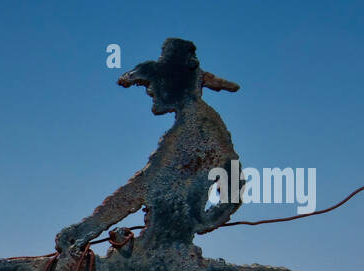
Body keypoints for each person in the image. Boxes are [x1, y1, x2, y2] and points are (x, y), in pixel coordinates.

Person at [55, 38, 242, 259]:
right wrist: (84, 231)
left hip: (166, 254)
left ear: (173, 81)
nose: (150, 90)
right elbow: (143, 187)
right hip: (158, 249)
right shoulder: (190, 124)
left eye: (154, 82)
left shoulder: (201, 125)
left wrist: (201, 221)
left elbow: (232, 179)